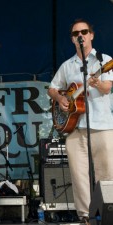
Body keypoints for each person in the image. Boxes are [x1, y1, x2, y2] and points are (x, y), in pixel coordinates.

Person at [48, 18, 113, 224]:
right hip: (75, 127)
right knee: (78, 175)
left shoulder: (105, 60)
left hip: (102, 125)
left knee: (106, 173)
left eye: (84, 32)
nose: (81, 35)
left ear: (91, 35)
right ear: (72, 39)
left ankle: (107, 214)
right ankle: (85, 216)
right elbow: (52, 88)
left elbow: (107, 88)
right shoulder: (67, 66)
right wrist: (60, 99)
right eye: (76, 33)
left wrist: (97, 82)